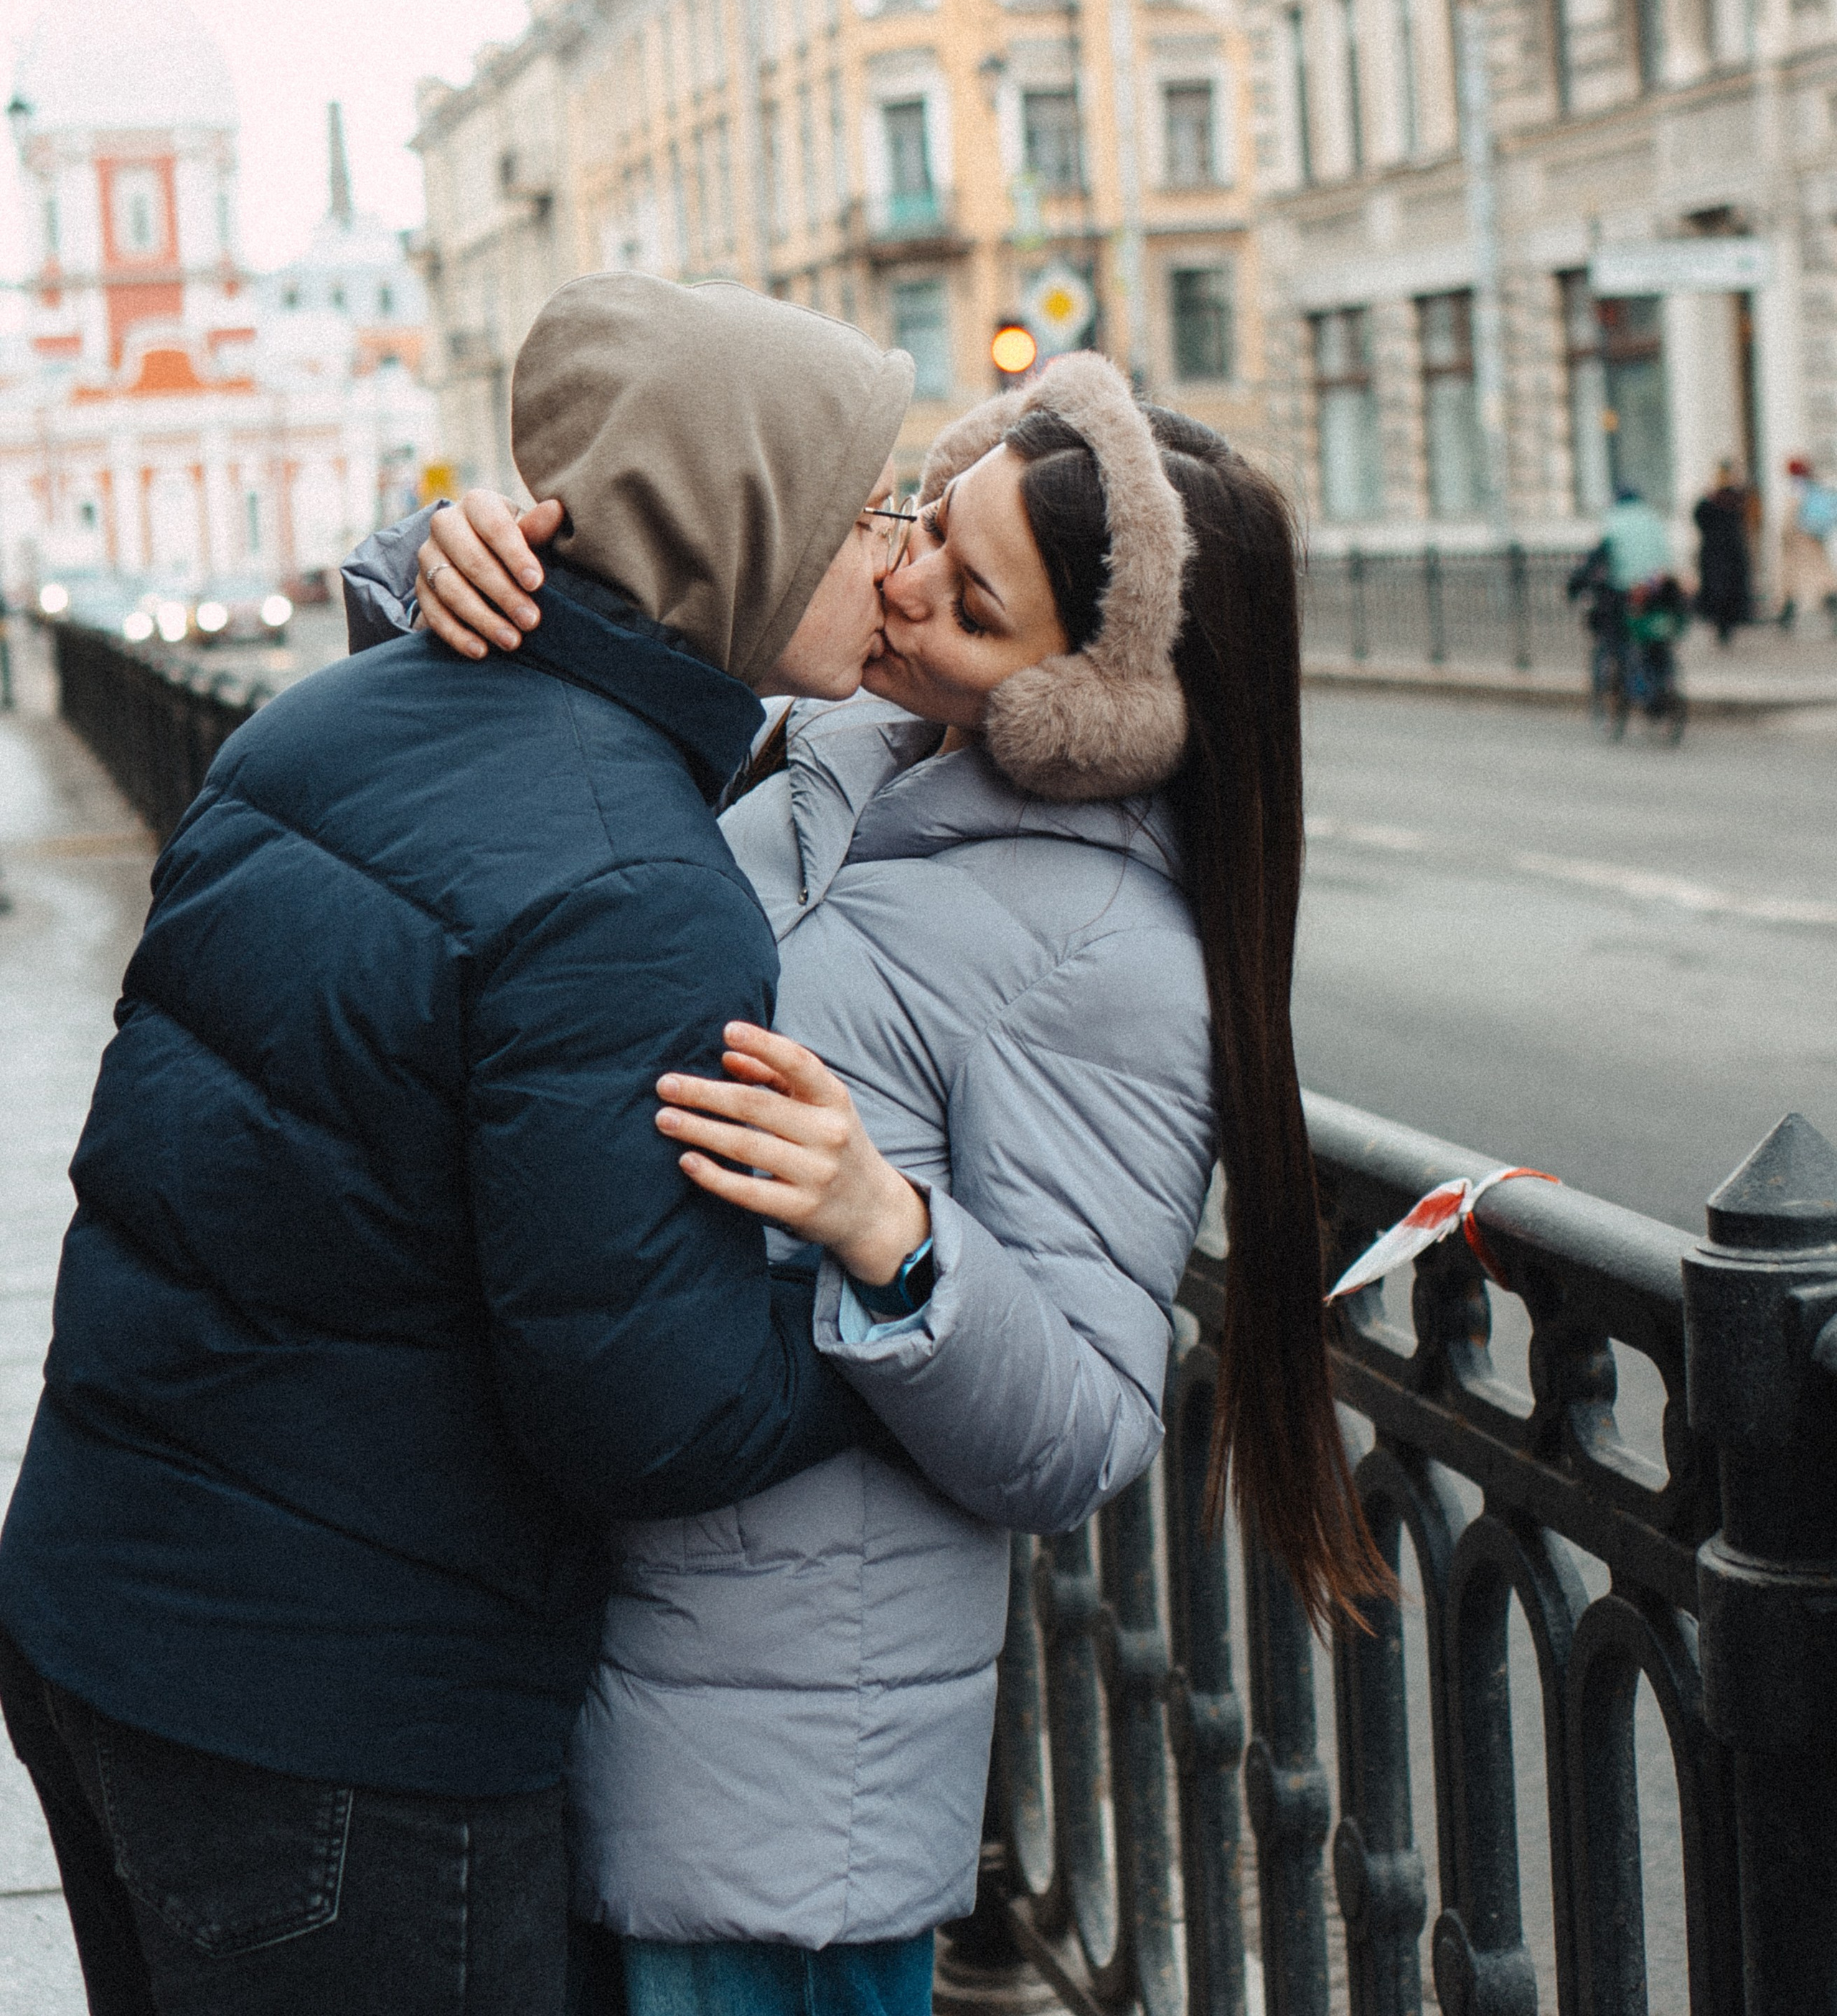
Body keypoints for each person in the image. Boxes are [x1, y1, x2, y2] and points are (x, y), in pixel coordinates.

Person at [357, 348, 1389, 2016]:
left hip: (775, 1793)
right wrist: (446, 563)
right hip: (586, 1628)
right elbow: (529, 831)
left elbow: (1081, 1427)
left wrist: (891, 1230)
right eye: (920, 516)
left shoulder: (1110, 954)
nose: (897, 578)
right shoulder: (837, 743)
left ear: (1086, 694)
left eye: (967, 596)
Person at [0, 273, 916, 2016]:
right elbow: (644, 1411)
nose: (890, 556)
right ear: (743, 521)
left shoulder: (319, 721)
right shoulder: (638, 878)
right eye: (865, 508)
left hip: (95, 1608)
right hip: (343, 1726)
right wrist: (900, 1299)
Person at [1691, 461, 1750, 644]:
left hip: (1724, 553)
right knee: (1720, 592)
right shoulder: (1718, 500)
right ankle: (1722, 626)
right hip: (1720, 554)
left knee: (1726, 592)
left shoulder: (1729, 499)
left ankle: (1725, 626)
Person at [1779, 455, 1837, 635]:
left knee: (1794, 582)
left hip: (1800, 543)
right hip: (1813, 541)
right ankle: (1786, 617)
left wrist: (1785, 536)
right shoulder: (1815, 486)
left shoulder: (1797, 488)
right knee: (1821, 581)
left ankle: (1786, 617)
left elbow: (1791, 515)